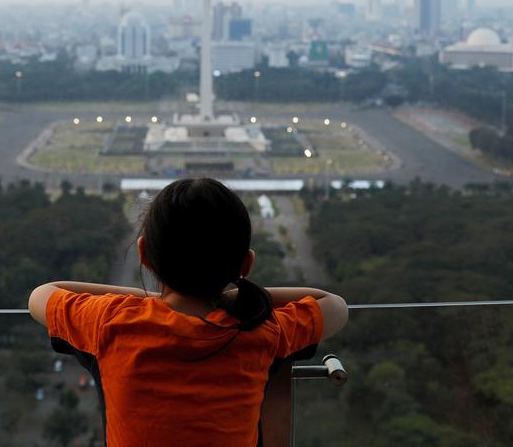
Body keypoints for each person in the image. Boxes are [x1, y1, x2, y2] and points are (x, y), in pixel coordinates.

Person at [29, 177, 349, 447]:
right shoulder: (260, 332)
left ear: (144, 255)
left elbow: (42, 295)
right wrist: (233, 295)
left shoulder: (112, 323)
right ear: (246, 264)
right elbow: (334, 305)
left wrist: (151, 299)